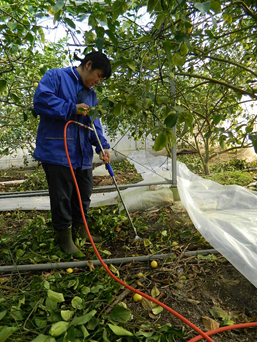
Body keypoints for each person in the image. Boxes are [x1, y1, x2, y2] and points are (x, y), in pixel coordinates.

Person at [33, 51, 112, 254]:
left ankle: (81, 228)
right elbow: (41, 101)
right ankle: (65, 239)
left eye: (101, 79)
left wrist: (102, 145)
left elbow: (94, 123)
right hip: (58, 151)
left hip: (82, 154)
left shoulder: (91, 94)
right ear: (88, 65)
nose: (98, 81)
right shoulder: (56, 77)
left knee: (83, 194)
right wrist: (71, 108)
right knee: (62, 197)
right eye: (99, 76)